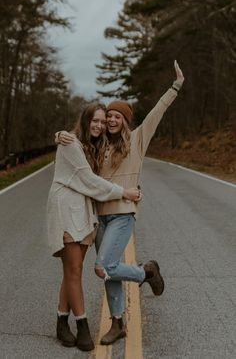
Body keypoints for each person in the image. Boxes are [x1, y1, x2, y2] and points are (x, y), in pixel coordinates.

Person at [57, 60, 185, 345]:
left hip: (122, 215)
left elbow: (158, 112)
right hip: (98, 217)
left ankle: (145, 271)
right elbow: (78, 148)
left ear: (126, 121)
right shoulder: (98, 145)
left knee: (103, 266)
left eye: (118, 116)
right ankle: (118, 323)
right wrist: (59, 135)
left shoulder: (138, 140)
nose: (112, 120)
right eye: (109, 116)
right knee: (109, 273)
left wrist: (175, 86)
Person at [47, 103, 140, 352]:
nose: (100, 124)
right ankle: (82, 325)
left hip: (87, 214)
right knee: (74, 270)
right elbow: (89, 180)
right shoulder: (70, 144)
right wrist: (125, 192)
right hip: (67, 212)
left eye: (103, 120)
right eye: (95, 120)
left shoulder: (94, 147)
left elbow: (101, 175)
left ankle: (61, 321)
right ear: (86, 121)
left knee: (71, 270)